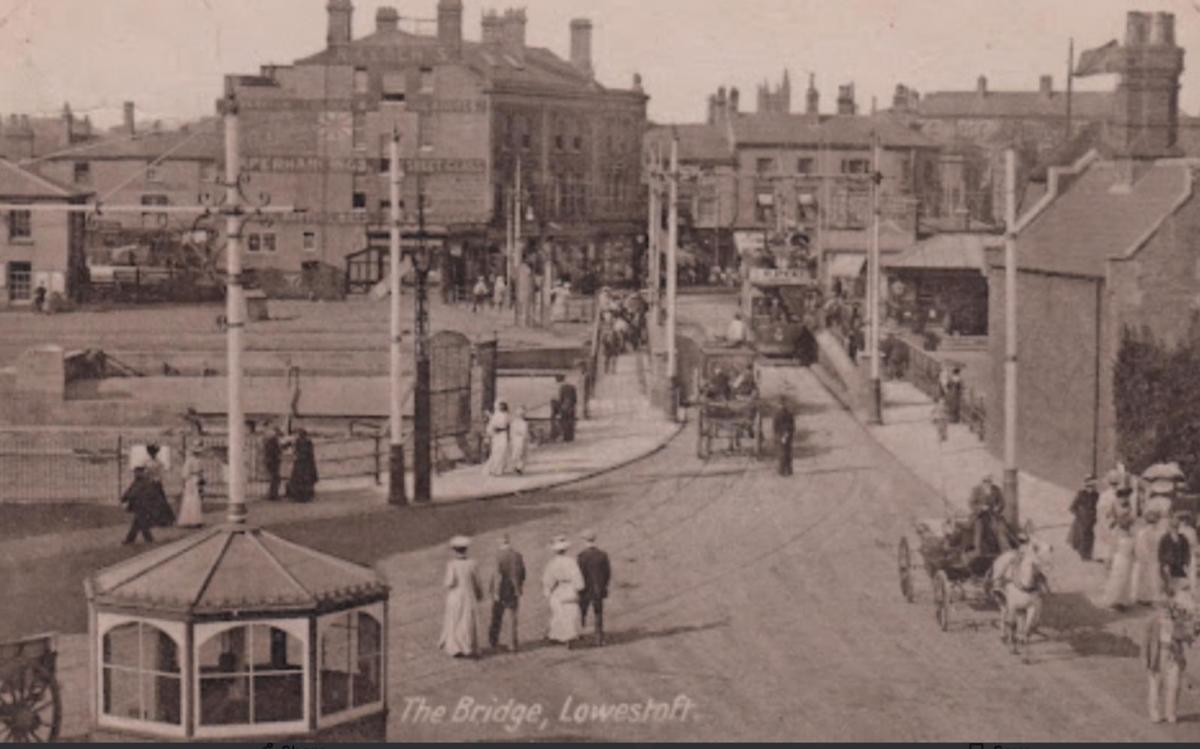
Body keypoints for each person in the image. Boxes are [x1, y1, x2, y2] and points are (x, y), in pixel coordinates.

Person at [1145, 590, 1197, 724]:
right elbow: (1146, 643)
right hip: (1158, 656)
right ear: (1157, 610)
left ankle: (1171, 712)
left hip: (1174, 656)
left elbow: (1187, 637)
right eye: (1162, 609)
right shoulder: (1153, 623)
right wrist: (1147, 660)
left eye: (1168, 610)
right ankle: (1154, 712)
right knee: (1156, 686)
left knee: (1174, 685)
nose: (1165, 613)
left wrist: (1185, 629)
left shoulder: (1177, 622)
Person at [438, 536, 483, 658]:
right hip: (469, 595)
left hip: (456, 596)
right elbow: (477, 582)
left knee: (455, 620)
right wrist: (479, 594)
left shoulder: (452, 565)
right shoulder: (472, 563)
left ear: (454, 550)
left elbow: (449, 582)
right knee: (467, 621)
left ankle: (455, 647)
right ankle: (468, 646)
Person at [543, 536, 585, 648]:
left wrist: (547, 591)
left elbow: (548, 580)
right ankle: (569, 636)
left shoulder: (552, 563)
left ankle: (561, 635)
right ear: (566, 549)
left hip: (559, 589)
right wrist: (579, 587)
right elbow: (577, 577)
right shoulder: (571, 562)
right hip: (570, 589)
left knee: (559, 613)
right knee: (571, 613)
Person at [487, 534, 526, 652]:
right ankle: (512, 644)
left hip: (501, 590)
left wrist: (495, 591)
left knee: (496, 616)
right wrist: (519, 587)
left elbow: (497, 575)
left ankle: (493, 641)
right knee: (512, 618)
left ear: (500, 542)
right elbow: (523, 573)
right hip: (513, 590)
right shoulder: (517, 555)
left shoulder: (498, 556)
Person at [577, 530, 611, 646]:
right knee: (598, 613)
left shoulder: (582, 556)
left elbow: (579, 574)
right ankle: (599, 637)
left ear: (584, 541)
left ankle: (581, 632)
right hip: (598, 589)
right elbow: (607, 573)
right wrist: (604, 585)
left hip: (585, 589)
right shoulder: (602, 555)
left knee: (582, 611)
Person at [1101, 513, 1137, 610]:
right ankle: (1113, 600)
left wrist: (1135, 558)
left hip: (1129, 560)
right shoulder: (1116, 534)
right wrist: (1109, 561)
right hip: (1119, 559)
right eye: (1127, 523)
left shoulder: (1132, 534)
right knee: (1117, 579)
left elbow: (1134, 548)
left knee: (1126, 580)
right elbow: (1112, 548)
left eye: (1129, 523)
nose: (1128, 525)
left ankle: (1122, 601)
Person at [968, 476, 1009, 559]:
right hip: (980, 516)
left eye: (989, 481)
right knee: (979, 529)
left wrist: (997, 508)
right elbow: (971, 504)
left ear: (991, 481)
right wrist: (981, 507)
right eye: (985, 481)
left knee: (1001, 529)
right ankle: (977, 551)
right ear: (982, 481)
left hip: (993, 515)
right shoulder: (976, 490)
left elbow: (1002, 503)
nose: (987, 483)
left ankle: (1006, 551)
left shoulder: (996, 489)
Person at [1134, 510, 1167, 607]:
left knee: (1149, 576)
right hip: (1151, 557)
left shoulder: (1145, 532)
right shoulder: (1153, 532)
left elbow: (1141, 547)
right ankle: (1145, 597)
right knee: (1149, 576)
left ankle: (1146, 597)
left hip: (1150, 556)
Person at [121, 466, 161, 545]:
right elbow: (130, 490)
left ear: (141, 473)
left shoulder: (144, 482)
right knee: (137, 523)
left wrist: (125, 498)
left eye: (137, 472)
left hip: (143, 505)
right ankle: (131, 539)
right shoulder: (138, 481)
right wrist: (124, 498)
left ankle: (148, 539)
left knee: (142, 522)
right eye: (135, 472)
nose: (135, 474)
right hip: (139, 505)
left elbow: (134, 492)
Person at [1068, 476, 1100, 561]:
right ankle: (1083, 555)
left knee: (1090, 537)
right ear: (1086, 486)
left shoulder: (1096, 495)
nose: (1091, 488)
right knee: (1082, 536)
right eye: (1089, 486)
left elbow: (1098, 507)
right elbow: (1072, 508)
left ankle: (1087, 554)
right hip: (1081, 521)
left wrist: (1095, 516)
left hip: (1091, 520)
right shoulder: (1081, 494)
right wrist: (1079, 515)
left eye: (1093, 486)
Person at [1159, 512, 1192, 596]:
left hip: (1180, 566)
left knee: (1180, 589)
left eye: (1176, 527)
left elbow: (1186, 552)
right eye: (1173, 527)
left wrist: (1186, 564)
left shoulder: (1183, 538)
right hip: (1168, 566)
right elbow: (1161, 553)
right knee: (1169, 589)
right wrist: (1164, 565)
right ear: (1169, 527)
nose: (1175, 529)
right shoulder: (1165, 538)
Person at [286, 429, 318, 503]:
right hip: (306, 463)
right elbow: (310, 453)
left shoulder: (298, 441)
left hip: (300, 463)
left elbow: (295, 451)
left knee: (298, 479)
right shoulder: (308, 442)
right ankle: (305, 496)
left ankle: (298, 496)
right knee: (306, 480)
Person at [176, 445, 205, 529]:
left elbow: (186, 474)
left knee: (194, 499)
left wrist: (199, 478)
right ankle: (192, 520)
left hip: (194, 480)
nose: (198, 454)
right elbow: (186, 474)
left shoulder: (195, 460)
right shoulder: (192, 460)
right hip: (192, 480)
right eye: (197, 452)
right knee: (192, 499)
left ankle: (194, 520)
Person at [484, 402, 511, 477]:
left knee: (503, 451)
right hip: (496, 435)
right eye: (500, 406)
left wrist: (509, 436)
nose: (501, 407)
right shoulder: (496, 415)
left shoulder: (507, 415)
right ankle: (493, 469)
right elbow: (491, 425)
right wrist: (489, 434)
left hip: (503, 434)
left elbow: (508, 426)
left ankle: (499, 469)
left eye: (502, 406)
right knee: (496, 451)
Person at [773, 398, 795, 477]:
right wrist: (790, 434)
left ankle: (782, 470)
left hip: (781, 434)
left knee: (782, 452)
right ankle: (789, 470)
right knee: (788, 452)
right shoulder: (789, 413)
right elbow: (793, 425)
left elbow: (775, 426)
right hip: (788, 434)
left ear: (779, 405)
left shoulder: (777, 414)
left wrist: (777, 435)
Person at [263, 427, 283, 501]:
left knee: (275, 478)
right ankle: (273, 495)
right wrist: (278, 454)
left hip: (271, 461)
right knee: (276, 478)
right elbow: (274, 452)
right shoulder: (273, 441)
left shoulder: (270, 441)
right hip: (272, 462)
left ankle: (272, 494)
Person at [509, 406, 530, 475]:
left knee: (521, 453)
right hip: (517, 439)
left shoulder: (523, 423)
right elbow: (512, 432)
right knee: (517, 453)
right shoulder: (515, 423)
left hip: (520, 439)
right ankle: (517, 467)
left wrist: (526, 438)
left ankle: (519, 467)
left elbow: (525, 432)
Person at [556, 375, 578, 443]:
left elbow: (560, 398)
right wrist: (573, 405)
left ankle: (566, 437)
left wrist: (560, 407)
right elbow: (575, 399)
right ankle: (571, 437)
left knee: (564, 421)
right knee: (571, 421)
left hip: (564, 407)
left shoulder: (562, 388)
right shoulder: (573, 387)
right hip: (571, 406)